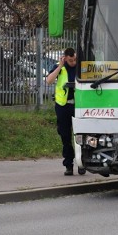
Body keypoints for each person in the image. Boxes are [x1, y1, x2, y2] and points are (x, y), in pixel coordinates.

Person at [46, 48, 84, 176]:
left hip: (79, 105)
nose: (73, 62)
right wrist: (60, 66)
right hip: (63, 106)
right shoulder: (59, 67)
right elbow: (49, 80)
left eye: (74, 59)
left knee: (81, 135)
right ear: (65, 58)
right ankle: (68, 165)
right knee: (65, 136)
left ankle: (82, 163)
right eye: (70, 60)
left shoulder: (81, 66)